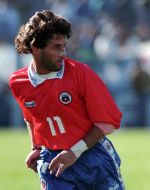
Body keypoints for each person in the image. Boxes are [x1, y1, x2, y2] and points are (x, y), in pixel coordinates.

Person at [9, 10, 125, 190]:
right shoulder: (18, 82)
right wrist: (37, 147)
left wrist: (74, 152)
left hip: (95, 157)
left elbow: (107, 123)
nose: (63, 53)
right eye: (56, 47)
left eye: (64, 46)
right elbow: (31, 117)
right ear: (36, 48)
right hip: (54, 163)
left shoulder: (81, 74)